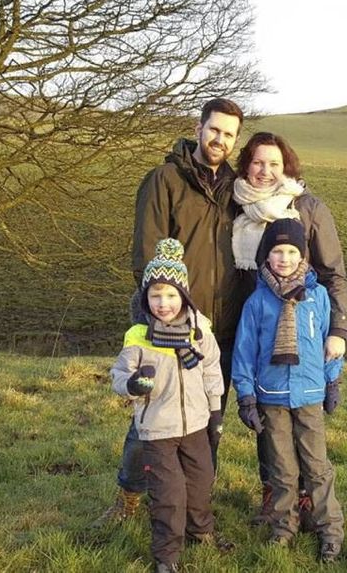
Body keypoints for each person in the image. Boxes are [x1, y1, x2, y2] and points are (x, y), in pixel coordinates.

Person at [95, 98, 245, 524]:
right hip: (167, 322)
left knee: (206, 419)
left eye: (229, 134)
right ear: (198, 129)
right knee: (150, 421)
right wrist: (160, 316)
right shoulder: (165, 180)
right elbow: (146, 253)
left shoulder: (236, 190)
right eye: (214, 130)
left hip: (219, 328)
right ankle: (128, 498)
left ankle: (194, 504)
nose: (220, 140)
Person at [232, 131, 347, 523]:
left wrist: (339, 330)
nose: (265, 171)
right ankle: (276, 495)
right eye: (257, 163)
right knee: (270, 427)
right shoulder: (236, 206)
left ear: (288, 167)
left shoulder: (309, 208)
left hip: (303, 324)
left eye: (274, 164)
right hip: (255, 322)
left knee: (306, 430)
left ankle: (307, 500)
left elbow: (333, 273)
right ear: (246, 165)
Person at [111, 238, 233, 573]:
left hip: (196, 425)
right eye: (155, 295)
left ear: (184, 295)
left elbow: (211, 371)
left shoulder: (199, 332)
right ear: (145, 299)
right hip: (157, 430)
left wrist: (215, 413)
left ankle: (201, 531)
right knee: (169, 495)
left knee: (200, 483)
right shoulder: (139, 337)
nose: (163, 303)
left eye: (170, 295)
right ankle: (167, 556)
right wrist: (133, 385)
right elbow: (119, 376)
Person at [232, 218, 345, 563]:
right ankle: (284, 528)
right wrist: (247, 396)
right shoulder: (256, 303)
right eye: (277, 251)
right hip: (271, 397)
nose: (284, 258)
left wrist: (333, 380)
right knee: (282, 469)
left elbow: (329, 344)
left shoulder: (319, 297)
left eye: (291, 251)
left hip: (310, 395)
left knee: (317, 467)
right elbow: (244, 352)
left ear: (302, 255)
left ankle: (330, 530)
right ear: (266, 256)